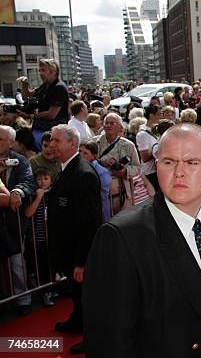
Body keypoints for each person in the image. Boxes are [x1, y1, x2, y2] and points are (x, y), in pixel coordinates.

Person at [83, 123, 201, 358]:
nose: (179, 172)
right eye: (169, 162)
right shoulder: (121, 237)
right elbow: (109, 341)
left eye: (192, 162)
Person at [47, 125, 102, 355]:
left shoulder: (82, 174)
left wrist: (83, 261)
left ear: (72, 143)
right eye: (51, 140)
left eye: (57, 141)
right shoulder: (66, 169)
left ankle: (93, 337)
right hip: (68, 247)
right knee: (77, 293)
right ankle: (77, 321)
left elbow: (89, 223)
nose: (51, 145)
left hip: (79, 250)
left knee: (87, 296)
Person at [0, 125, 36, 316]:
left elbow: (29, 182)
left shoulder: (21, 161)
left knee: (16, 260)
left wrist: (17, 191)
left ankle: (23, 299)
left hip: (13, 220)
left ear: (11, 142)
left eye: (0, 139)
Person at [15, 59, 70, 150]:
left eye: (43, 70)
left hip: (52, 130)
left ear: (53, 72)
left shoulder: (59, 87)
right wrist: (25, 84)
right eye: (39, 70)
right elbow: (28, 96)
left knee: (30, 145)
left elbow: (51, 114)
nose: (40, 73)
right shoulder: (45, 85)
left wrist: (31, 115)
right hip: (40, 127)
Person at [94, 113, 141, 214]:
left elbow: (137, 167)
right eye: (106, 123)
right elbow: (87, 162)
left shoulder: (129, 145)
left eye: (112, 123)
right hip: (101, 194)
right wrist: (102, 162)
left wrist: (125, 171)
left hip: (123, 194)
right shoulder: (94, 143)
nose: (108, 125)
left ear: (120, 127)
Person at [23, 167, 54, 307]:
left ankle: (54, 289)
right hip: (37, 238)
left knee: (51, 265)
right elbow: (28, 213)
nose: (42, 182)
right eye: (39, 179)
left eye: (45, 179)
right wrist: (38, 197)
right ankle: (45, 293)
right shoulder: (31, 195)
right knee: (40, 267)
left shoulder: (54, 194)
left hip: (52, 238)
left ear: (51, 180)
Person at [79, 141, 112, 223]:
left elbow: (102, 194)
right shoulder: (78, 168)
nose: (81, 155)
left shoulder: (101, 172)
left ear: (93, 156)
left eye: (85, 153)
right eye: (79, 151)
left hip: (99, 209)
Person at [136, 105, 161, 191]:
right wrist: (159, 151)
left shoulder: (156, 129)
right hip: (150, 173)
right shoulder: (142, 134)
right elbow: (145, 157)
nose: (161, 117)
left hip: (158, 171)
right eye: (159, 114)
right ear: (151, 116)